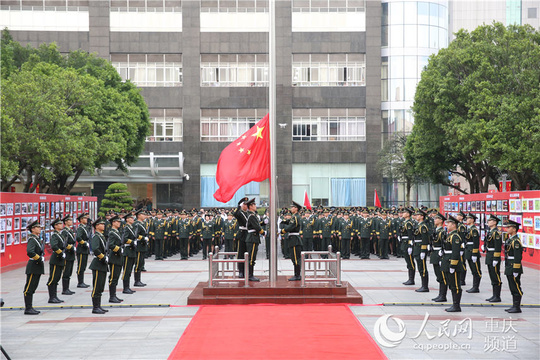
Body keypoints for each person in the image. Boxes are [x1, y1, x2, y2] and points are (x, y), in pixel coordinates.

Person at [441, 215, 464, 312]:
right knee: (451, 285)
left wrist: (453, 265)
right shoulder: (450, 235)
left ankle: (456, 305)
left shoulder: (455, 237)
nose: (447, 225)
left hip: (452, 263)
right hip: (447, 261)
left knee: (456, 285)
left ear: (454, 225)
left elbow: (455, 252)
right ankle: (454, 304)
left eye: (449, 223)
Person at [23, 220, 45, 315]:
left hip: (37, 266)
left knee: (33, 287)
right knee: (29, 287)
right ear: (33, 229)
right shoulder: (32, 239)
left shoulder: (36, 239)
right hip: (33, 266)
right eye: (38, 227)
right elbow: (30, 252)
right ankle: (28, 308)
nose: (40, 228)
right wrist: (39, 258)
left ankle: (30, 306)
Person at [89, 218, 109, 314]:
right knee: (96, 286)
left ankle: (99, 306)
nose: (103, 225)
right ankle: (95, 307)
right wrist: (103, 257)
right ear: (97, 226)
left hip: (102, 264)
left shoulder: (101, 236)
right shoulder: (96, 236)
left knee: (100, 286)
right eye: (101, 224)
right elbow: (96, 249)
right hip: (98, 264)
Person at [504, 220, 523, 313]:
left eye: (509, 227)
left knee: (516, 286)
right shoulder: (510, 239)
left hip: (513, 266)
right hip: (509, 265)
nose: (507, 229)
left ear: (514, 229)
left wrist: (516, 268)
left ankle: (517, 306)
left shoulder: (515, 242)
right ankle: (514, 305)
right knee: (512, 285)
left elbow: (518, 256)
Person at [281, 201, 303, 281]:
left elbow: (291, 226)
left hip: (294, 239)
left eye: (293, 207)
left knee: (295, 258)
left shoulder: (296, 217)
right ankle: (296, 274)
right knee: (294, 257)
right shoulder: (294, 216)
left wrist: (282, 231)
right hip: (293, 238)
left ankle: (297, 275)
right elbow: (289, 222)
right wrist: (284, 221)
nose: (291, 208)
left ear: (296, 209)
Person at [484, 214, 502, 303]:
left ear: (495, 222)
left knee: (496, 276)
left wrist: (496, 258)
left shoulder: (496, 233)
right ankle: (494, 295)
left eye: (490, 220)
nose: (488, 222)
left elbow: (498, 246)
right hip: (489, 255)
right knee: (492, 275)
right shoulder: (491, 232)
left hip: (494, 255)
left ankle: (497, 296)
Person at [245, 198, 264, 281]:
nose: (256, 206)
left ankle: (250, 274)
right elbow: (256, 227)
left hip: (253, 237)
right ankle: (250, 275)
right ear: (251, 206)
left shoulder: (252, 215)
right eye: (254, 205)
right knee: (251, 257)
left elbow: (256, 224)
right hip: (252, 238)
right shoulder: (251, 215)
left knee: (252, 257)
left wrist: (263, 223)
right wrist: (263, 233)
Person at [47, 218, 65, 304]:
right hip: (56, 258)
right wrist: (61, 253)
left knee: (57, 278)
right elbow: (54, 246)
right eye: (59, 224)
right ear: (55, 226)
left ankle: (55, 296)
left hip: (60, 259)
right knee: (53, 278)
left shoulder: (59, 235)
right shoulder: (54, 235)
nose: (61, 225)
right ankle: (51, 297)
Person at [431, 212, 447, 302]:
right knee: (438, 276)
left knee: (442, 276)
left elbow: (444, 245)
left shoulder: (442, 232)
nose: (435, 220)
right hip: (435, 253)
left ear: (441, 220)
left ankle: (443, 295)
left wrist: (442, 256)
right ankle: (440, 294)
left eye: (436, 219)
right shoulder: (436, 230)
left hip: (439, 254)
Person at [107, 215, 124, 303]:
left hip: (118, 257)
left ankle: (114, 295)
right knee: (113, 277)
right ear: (113, 223)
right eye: (118, 222)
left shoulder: (117, 232)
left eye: (120, 222)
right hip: (114, 257)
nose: (119, 223)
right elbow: (111, 245)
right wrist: (119, 249)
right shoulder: (112, 233)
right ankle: (111, 296)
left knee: (116, 277)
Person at [465, 213, 482, 293]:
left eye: (469, 218)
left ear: (472, 220)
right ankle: (474, 286)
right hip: (468, 251)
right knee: (473, 270)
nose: (467, 220)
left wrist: (475, 253)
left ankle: (476, 287)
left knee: (476, 270)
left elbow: (476, 242)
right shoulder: (469, 229)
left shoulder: (474, 230)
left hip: (472, 251)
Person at [413, 209, 430, 292]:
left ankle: (425, 286)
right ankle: (423, 285)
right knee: (420, 267)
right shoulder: (419, 225)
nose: (416, 216)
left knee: (423, 267)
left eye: (418, 215)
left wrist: (423, 250)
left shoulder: (423, 226)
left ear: (422, 216)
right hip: (417, 247)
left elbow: (424, 239)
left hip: (420, 248)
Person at [121, 212, 137, 294]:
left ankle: (127, 287)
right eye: (131, 218)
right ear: (127, 219)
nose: (133, 219)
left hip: (132, 251)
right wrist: (132, 242)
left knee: (129, 270)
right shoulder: (126, 228)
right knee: (126, 270)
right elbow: (124, 239)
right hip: (128, 251)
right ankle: (125, 287)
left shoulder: (131, 227)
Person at [60, 215, 76, 295]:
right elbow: (64, 243)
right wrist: (71, 247)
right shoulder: (65, 232)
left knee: (69, 272)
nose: (71, 221)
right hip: (67, 254)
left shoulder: (69, 231)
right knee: (66, 272)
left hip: (71, 254)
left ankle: (67, 288)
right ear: (65, 222)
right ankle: (65, 289)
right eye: (69, 220)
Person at [234, 197, 249, 278]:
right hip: (242, 234)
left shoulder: (249, 213)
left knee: (247, 253)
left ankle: (247, 271)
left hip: (248, 234)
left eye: (246, 204)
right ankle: (240, 271)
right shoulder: (240, 213)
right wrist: (238, 206)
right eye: (244, 204)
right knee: (240, 253)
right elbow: (235, 214)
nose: (245, 206)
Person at [133, 209, 149, 287]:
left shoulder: (142, 223)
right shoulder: (137, 224)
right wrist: (143, 238)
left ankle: (138, 280)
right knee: (138, 264)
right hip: (139, 245)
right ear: (138, 215)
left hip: (142, 246)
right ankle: (137, 280)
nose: (144, 216)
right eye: (143, 214)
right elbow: (135, 235)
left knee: (141, 263)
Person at [401, 208, 416, 286]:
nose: (403, 214)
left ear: (408, 214)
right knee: (408, 261)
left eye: (404, 212)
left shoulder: (408, 223)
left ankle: (411, 279)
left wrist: (410, 245)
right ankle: (410, 278)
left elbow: (410, 235)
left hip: (407, 243)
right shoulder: (405, 222)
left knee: (410, 262)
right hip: (404, 242)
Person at [76, 213, 91, 288]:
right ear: (81, 220)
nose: (86, 219)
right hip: (81, 248)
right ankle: (80, 282)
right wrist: (84, 243)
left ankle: (82, 281)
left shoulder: (85, 227)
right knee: (80, 266)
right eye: (84, 218)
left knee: (84, 265)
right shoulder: (80, 228)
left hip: (85, 249)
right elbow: (78, 237)